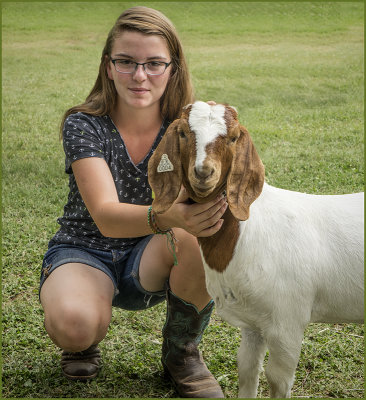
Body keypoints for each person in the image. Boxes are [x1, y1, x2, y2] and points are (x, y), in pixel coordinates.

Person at [39, 6, 227, 398]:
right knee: (74, 326)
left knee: (197, 233)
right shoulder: (84, 123)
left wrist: (211, 133)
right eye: (126, 62)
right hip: (86, 249)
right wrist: (170, 216)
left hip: (152, 254)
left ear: (173, 68)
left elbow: (212, 194)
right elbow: (106, 216)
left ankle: (182, 354)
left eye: (154, 63)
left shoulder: (187, 124)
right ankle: (84, 336)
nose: (140, 76)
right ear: (108, 66)